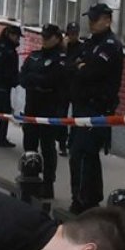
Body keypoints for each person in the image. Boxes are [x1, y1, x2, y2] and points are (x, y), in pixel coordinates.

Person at [67, 4, 123, 214]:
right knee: (80, 154)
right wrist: (79, 66)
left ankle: (85, 201)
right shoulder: (91, 43)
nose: (90, 23)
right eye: (90, 19)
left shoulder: (110, 45)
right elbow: (71, 64)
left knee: (84, 154)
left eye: (95, 19)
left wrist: (81, 67)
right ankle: (83, 197)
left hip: (97, 109)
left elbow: (91, 72)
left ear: (107, 20)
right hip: (82, 107)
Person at [20, 24, 69, 199]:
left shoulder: (61, 59)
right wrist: (37, 81)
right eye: (43, 36)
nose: (44, 40)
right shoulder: (34, 56)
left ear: (57, 38)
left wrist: (35, 80)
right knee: (29, 144)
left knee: (47, 147)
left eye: (48, 37)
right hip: (31, 108)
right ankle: (29, 176)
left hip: (49, 109)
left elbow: (53, 80)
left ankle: (48, 183)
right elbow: (23, 78)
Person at [57, 22, 82, 157]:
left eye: (75, 34)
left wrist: (71, 65)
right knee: (62, 115)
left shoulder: (81, 47)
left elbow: (80, 65)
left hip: (76, 86)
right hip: (63, 86)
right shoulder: (61, 48)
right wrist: (64, 50)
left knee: (76, 115)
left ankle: (72, 142)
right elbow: (62, 66)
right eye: (71, 34)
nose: (73, 36)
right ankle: (62, 144)